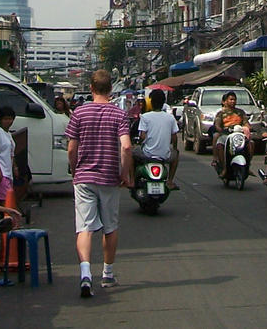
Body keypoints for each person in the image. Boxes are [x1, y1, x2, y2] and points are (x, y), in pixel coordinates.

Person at [64, 68, 132, 297]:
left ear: (91, 89)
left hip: (84, 177)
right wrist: (124, 174)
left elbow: (71, 148)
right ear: (111, 89)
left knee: (84, 227)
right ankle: (107, 274)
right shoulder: (119, 114)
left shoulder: (79, 113)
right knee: (110, 227)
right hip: (109, 178)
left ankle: (85, 274)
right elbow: (126, 146)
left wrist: (75, 170)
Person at [135, 88, 180, 189]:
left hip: (148, 154)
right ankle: (170, 181)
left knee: (132, 153)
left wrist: (139, 143)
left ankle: (132, 180)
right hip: (165, 155)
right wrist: (175, 149)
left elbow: (142, 136)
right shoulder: (170, 118)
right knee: (176, 155)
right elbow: (175, 138)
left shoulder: (145, 117)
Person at [211, 91, 252, 169]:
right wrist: (222, 131)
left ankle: (247, 166)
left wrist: (248, 128)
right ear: (225, 101)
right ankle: (223, 167)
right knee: (220, 145)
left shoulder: (240, 112)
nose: (233, 101)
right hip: (226, 135)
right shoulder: (221, 113)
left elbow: (246, 123)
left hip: (239, 135)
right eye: (231, 99)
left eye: (234, 99)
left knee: (251, 143)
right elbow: (217, 125)